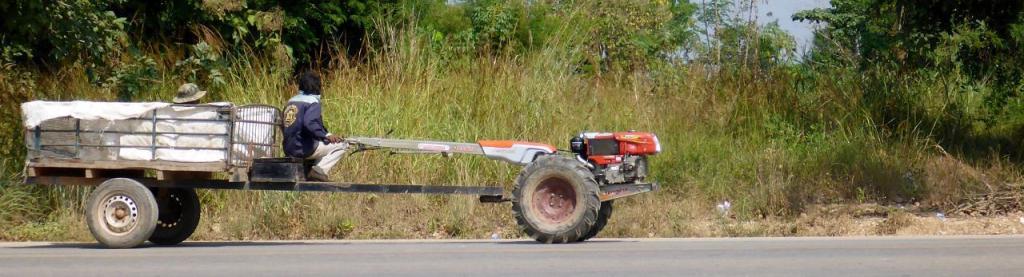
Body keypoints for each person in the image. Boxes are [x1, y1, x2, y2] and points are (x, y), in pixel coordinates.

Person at [282, 71, 347, 181]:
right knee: (342, 144)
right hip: (303, 148)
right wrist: (326, 135)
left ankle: (310, 170)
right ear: (318, 87)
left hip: (288, 149)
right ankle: (318, 170)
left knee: (321, 143)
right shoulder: (313, 102)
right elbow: (310, 123)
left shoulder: (291, 101)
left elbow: (285, 124)